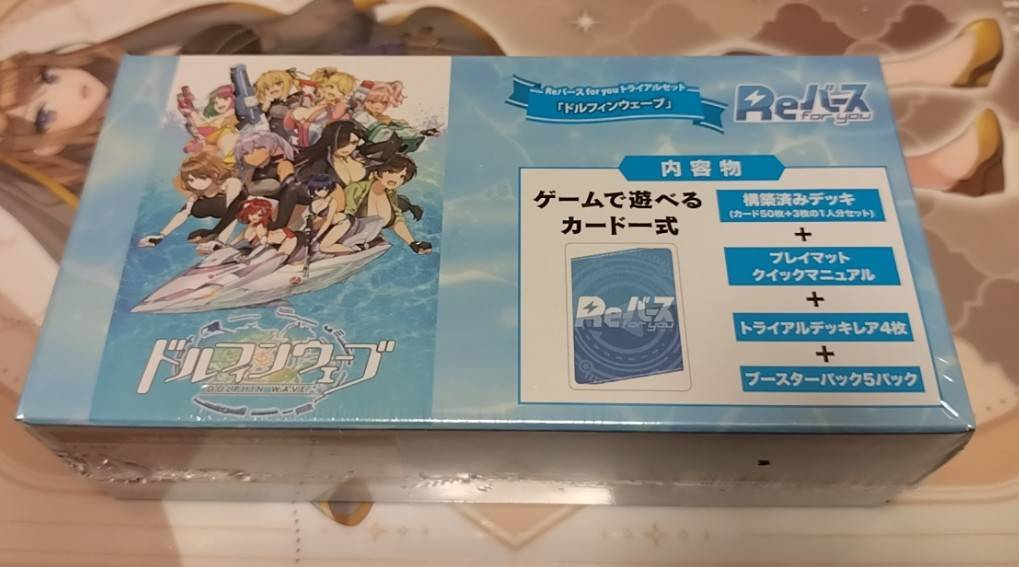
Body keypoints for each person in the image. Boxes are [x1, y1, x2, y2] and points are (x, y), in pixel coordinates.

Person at [137, 152, 244, 248]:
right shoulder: (197, 195)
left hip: (246, 210)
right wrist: (161, 235)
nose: (196, 183)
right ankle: (215, 239)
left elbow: (233, 211)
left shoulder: (231, 183)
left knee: (236, 205)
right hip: (224, 220)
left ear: (214, 174)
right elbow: (183, 213)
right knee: (193, 214)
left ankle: (222, 241)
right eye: (191, 180)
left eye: (201, 177)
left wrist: (218, 237)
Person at [344, 154, 431, 254]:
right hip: (345, 243)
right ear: (377, 171)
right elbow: (345, 218)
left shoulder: (391, 194)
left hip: (370, 247)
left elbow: (396, 221)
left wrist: (412, 243)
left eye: (402, 176)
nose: (395, 179)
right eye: (390, 171)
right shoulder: (356, 189)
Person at [352, 80, 438, 153]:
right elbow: (384, 134)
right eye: (372, 101)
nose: (378, 106)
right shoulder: (360, 116)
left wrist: (422, 132)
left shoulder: (387, 119)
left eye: (383, 102)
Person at [233, 197, 298, 257]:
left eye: (259, 215)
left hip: (285, 242)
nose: (254, 217)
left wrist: (263, 238)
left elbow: (262, 236)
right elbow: (244, 240)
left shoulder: (261, 226)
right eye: (251, 214)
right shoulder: (252, 224)